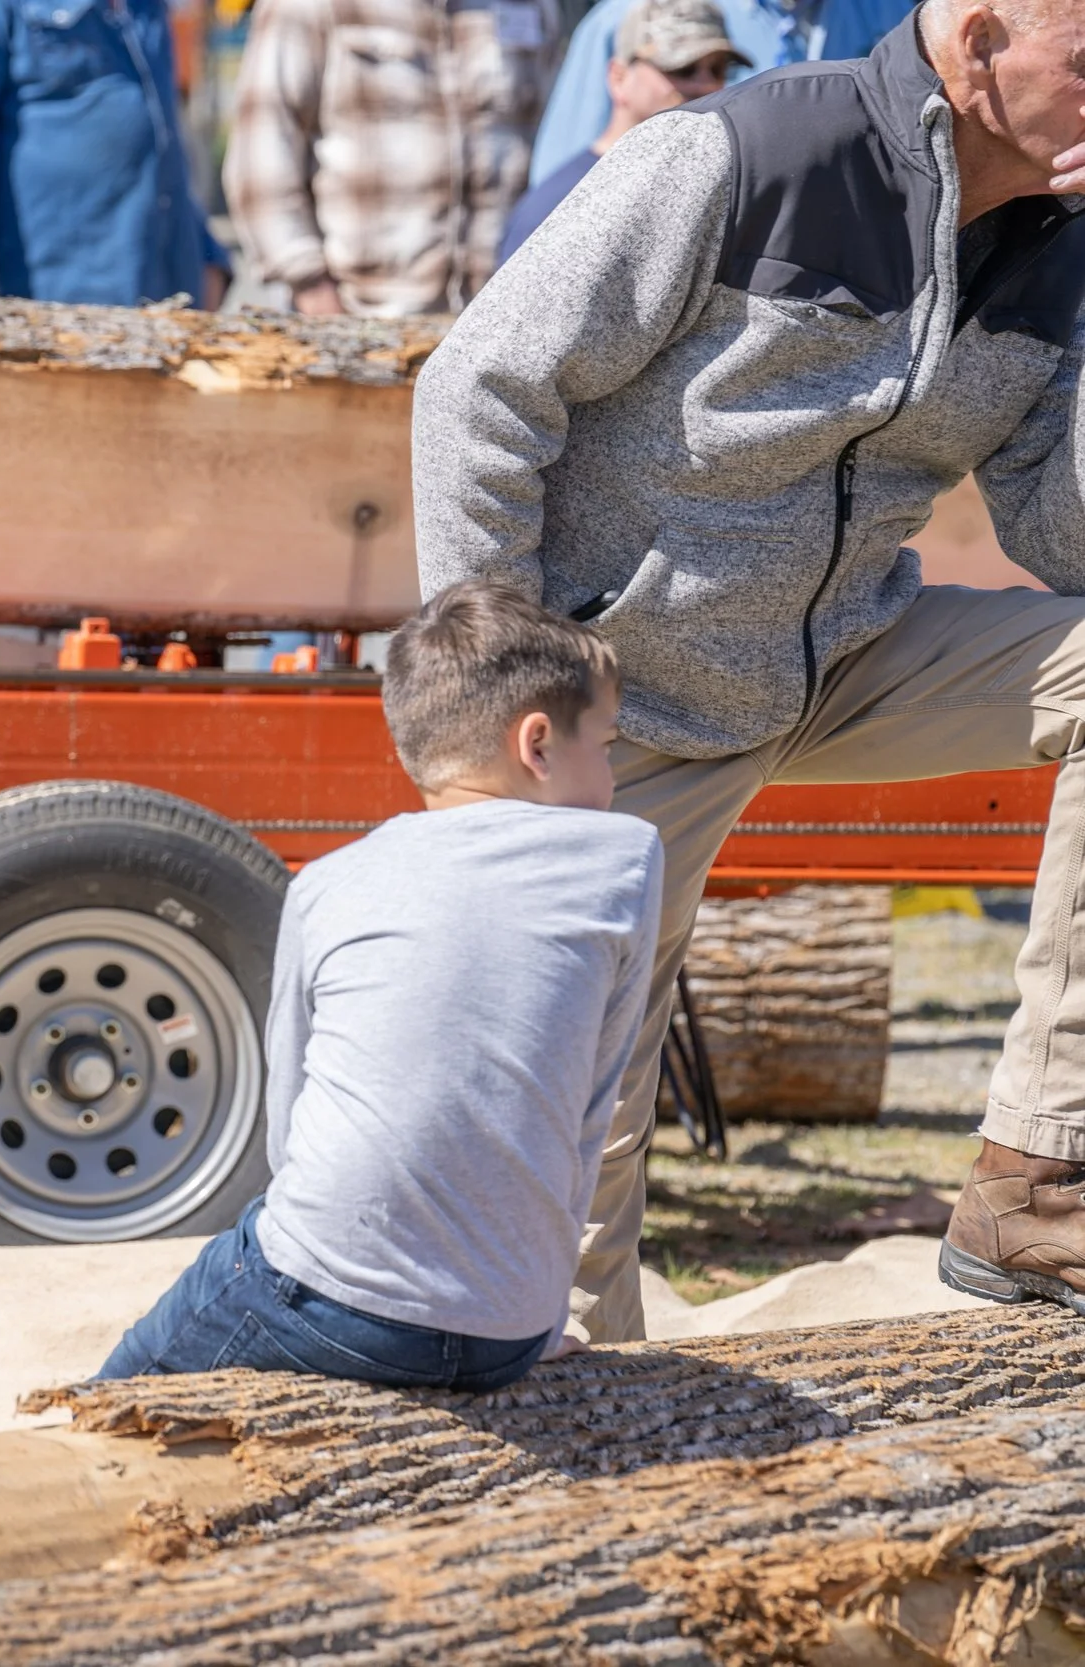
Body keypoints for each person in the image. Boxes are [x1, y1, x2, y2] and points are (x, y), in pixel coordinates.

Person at [412, 0, 1085, 1344]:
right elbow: (479, 387)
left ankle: (1036, 1174)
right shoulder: (738, 161)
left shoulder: (1062, 251)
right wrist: (502, 703)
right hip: (624, 693)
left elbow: (1061, 532)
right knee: (575, 1198)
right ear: (982, 44)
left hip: (839, 657)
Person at [100, 582, 662, 1387]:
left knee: (116, 1390)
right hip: (508, 1331)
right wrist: (535, 1315)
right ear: (537, 743)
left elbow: (288, 1119)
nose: (611, 774)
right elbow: (588, 1113)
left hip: (329, 1300)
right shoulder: (628, 860)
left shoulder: (327, 883)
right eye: (606, 745)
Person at [226, 0, 563, 317]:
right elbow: (261, 156)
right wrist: (312, 289)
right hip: (357, 321)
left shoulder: (531, 6)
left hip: (496, 324)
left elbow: (555, 153)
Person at [0, 0, 230, 308]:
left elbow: (157, 138)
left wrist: (205, 256)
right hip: (43, 312)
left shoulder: (146, 6)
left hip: (164, 300)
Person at [530, 0, 911, 185]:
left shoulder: (899, 12)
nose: (702, 80)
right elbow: (561, 194)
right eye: (683, 69)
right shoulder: (634, 16)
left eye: (716, 69)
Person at [496, 0, 744, 266]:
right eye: (681, 68)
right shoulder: (564, 204)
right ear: (619, 78)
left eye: (718, 69)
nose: (704, 85)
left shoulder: (727, 191)